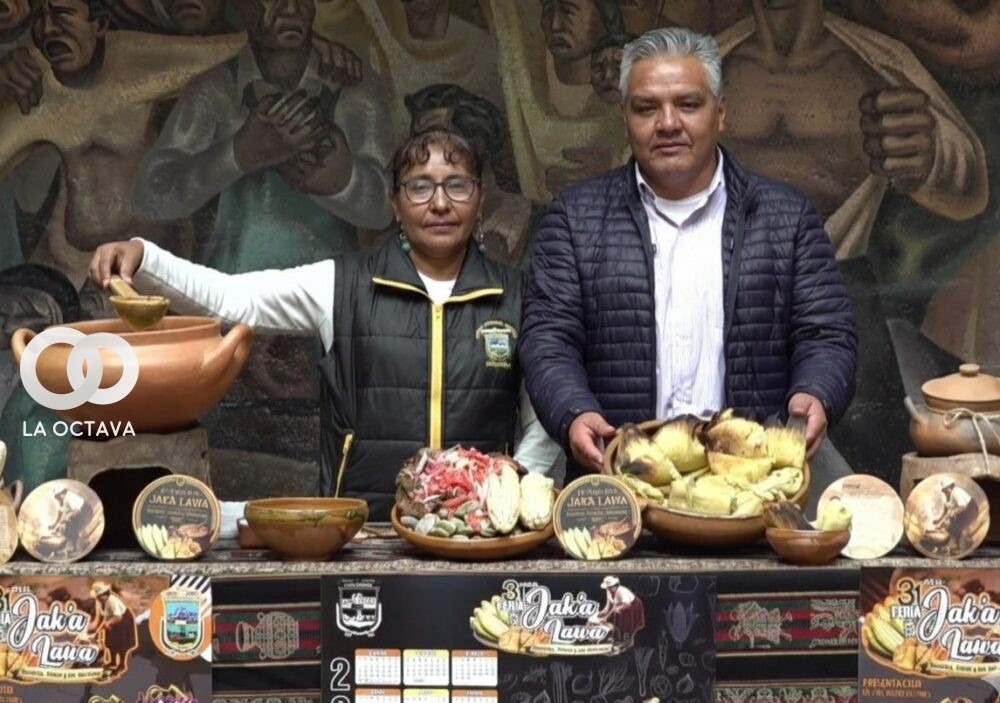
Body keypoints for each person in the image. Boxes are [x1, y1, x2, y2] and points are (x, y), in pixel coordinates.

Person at [90, 129, 560, 519]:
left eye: (457, 185)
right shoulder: (342, 285)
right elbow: (232, 298)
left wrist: (509, 499)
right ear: (395, 204)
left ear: (480, 199)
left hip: (478, 533)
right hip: (365, 530)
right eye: (419, 187)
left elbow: (543, 414)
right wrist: (145, 257)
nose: (440, 203)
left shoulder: (520, 297)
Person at [521, 27, 858, 491]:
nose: (668, 123)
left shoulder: (787, 218)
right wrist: (573, 412)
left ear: (721, 113)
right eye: (646, 108)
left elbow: (826, 333)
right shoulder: (574, 219)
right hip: (619, 486)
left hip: (749, 487)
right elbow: (548, 339)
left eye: (688, 104)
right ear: (624, 118)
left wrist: (816, 392)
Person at [88, 581, 137, 676]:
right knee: (109, 642)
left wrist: (108, 623)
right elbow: (106, 618)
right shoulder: (104, 602)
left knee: (121, 644)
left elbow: (118, 617)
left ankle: (121, 665)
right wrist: (99, 630)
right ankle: (112, 662)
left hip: (123, 622)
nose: (97, 599)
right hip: (113, 620)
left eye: (98, 597)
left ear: (102, 595)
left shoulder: (112, 601)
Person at [593, 576, 645, 648]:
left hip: (632, 606)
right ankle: (617, 639)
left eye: (611, 587)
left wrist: (617, 609)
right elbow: (608, 607)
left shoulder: (620, 591)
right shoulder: (608, 591)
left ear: (615, 586)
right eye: (608, 587)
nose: (609, 589)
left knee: (626, 624)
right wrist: (601, 614)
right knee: (614, 622)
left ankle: (627, 642)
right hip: (620, 607)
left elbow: (627, 604)